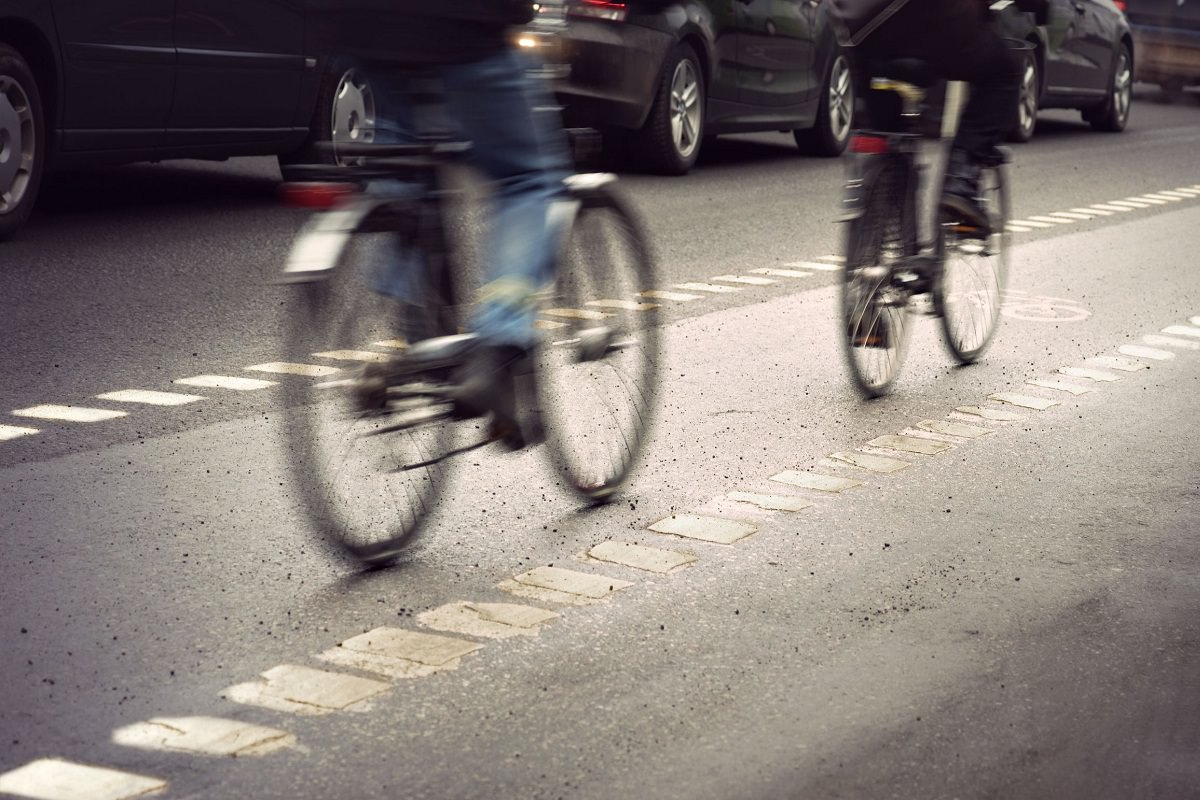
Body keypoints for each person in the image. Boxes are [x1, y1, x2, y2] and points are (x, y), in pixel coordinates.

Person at [314, 1, 573, 448]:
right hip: (465, 27)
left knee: (407, 171)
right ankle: (499, 336)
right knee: (526, 179)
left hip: (366, 28)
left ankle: (420, 343)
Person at [831, 0, 1039, 233]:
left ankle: (881, 207)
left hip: (862, 25)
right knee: (1004, 72)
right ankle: (961, 181)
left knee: (884, 132)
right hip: (935, 22)